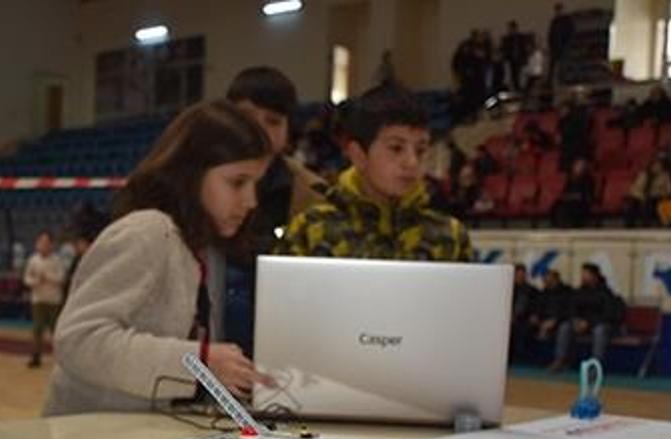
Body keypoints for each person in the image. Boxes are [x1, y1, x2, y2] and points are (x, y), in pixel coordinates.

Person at [43, 100, 274, 415]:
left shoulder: (198, 245)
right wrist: (198, 361)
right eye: (237, 182)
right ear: (192, 173)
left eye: (255, 184)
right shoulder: (148, 231)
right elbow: (78, 340)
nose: (251, 201)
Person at [282, 84, 472, 261]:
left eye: (420, 150)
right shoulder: (312, 229)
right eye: (396, 148)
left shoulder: (449, 236)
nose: (411, 162)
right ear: (358, 155)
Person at [224, 66, 324, 355]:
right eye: (245, 119)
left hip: (284, 341)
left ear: (288, 130)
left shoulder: (313, 194)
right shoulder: (195, 183)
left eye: (273, 121)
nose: (258, 131)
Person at [548, 263, 623, 372]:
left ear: (594, 276)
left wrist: (589, 322)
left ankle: (596, 365)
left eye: (585, 274)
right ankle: (560, 360)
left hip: (599, 324)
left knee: (600, 331)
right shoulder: (579, 292)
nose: (582, 276)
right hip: (581, 324)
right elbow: (571, 309)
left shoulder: (605, 293)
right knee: (565, 327)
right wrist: (575, 320)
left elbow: (608, 314)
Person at [23, 231, 64, 368]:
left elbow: (61, 278)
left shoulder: (57, 260)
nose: (43, 245)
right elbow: (26, 279)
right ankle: (36, 356)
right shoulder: (33, 260)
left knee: (56, 330)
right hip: (38, 299)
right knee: (37, 329)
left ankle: (60, 357)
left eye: (46, 243)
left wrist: (48, 278)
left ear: (51, 245)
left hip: (54, 300)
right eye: (41, 242)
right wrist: (35, 281)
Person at [552, 158, 596, 228]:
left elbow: (587, 194)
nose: (577, 168)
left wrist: (573, 196)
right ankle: (560, 227)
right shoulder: (570, 179)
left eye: (580, 166)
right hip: (571, 199)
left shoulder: (588, 180)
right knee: (558, 204)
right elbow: (566, 190)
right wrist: (565, 196)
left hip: (582, 202)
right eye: (576, 166)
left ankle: (575, 225)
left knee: (571, 205)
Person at [510, 263, 540, 363]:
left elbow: (536, 306)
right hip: (508, 318)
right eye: (518, 275)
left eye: (522, 275)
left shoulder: (531, 290)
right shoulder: (508, 289)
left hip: (525, 318)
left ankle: (520, 356)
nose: (520, 277)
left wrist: (534, 315)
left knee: (522, 328)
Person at [548, 3, 573, 84]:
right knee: (552, 67)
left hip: (564, 46)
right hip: (555, 47)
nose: (558, 12)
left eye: (559, 10)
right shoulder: (554, 21)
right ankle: (550, 82)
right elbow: (550, 35)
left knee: (563, 66)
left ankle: (563, 81)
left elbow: (571, 33)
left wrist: (566, 43)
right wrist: (551, 46)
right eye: (557, 10)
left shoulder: (567, 20)